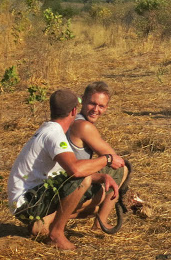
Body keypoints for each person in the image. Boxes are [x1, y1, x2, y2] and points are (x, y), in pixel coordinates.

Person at [7, 88, 126, 250]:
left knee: (86, 184)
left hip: (28, 198)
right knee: (82, 179)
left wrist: (102, 177)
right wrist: (107, 159)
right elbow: (75, 171)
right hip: (28, 203)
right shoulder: (54, 135)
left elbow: (62, 172)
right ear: (73, 111)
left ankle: (44, 223)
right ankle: (55, 234)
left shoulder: (49, 129)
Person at [66, 81, 127, 231]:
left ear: (107, 107)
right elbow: (114, 158)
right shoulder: (84, 126)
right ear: (83, 100)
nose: (96, 110)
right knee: (122, 170)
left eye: (101, 106)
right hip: (70, 182)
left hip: (68, 176)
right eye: (92, 104)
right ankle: (100, 223)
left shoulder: (71, 119)